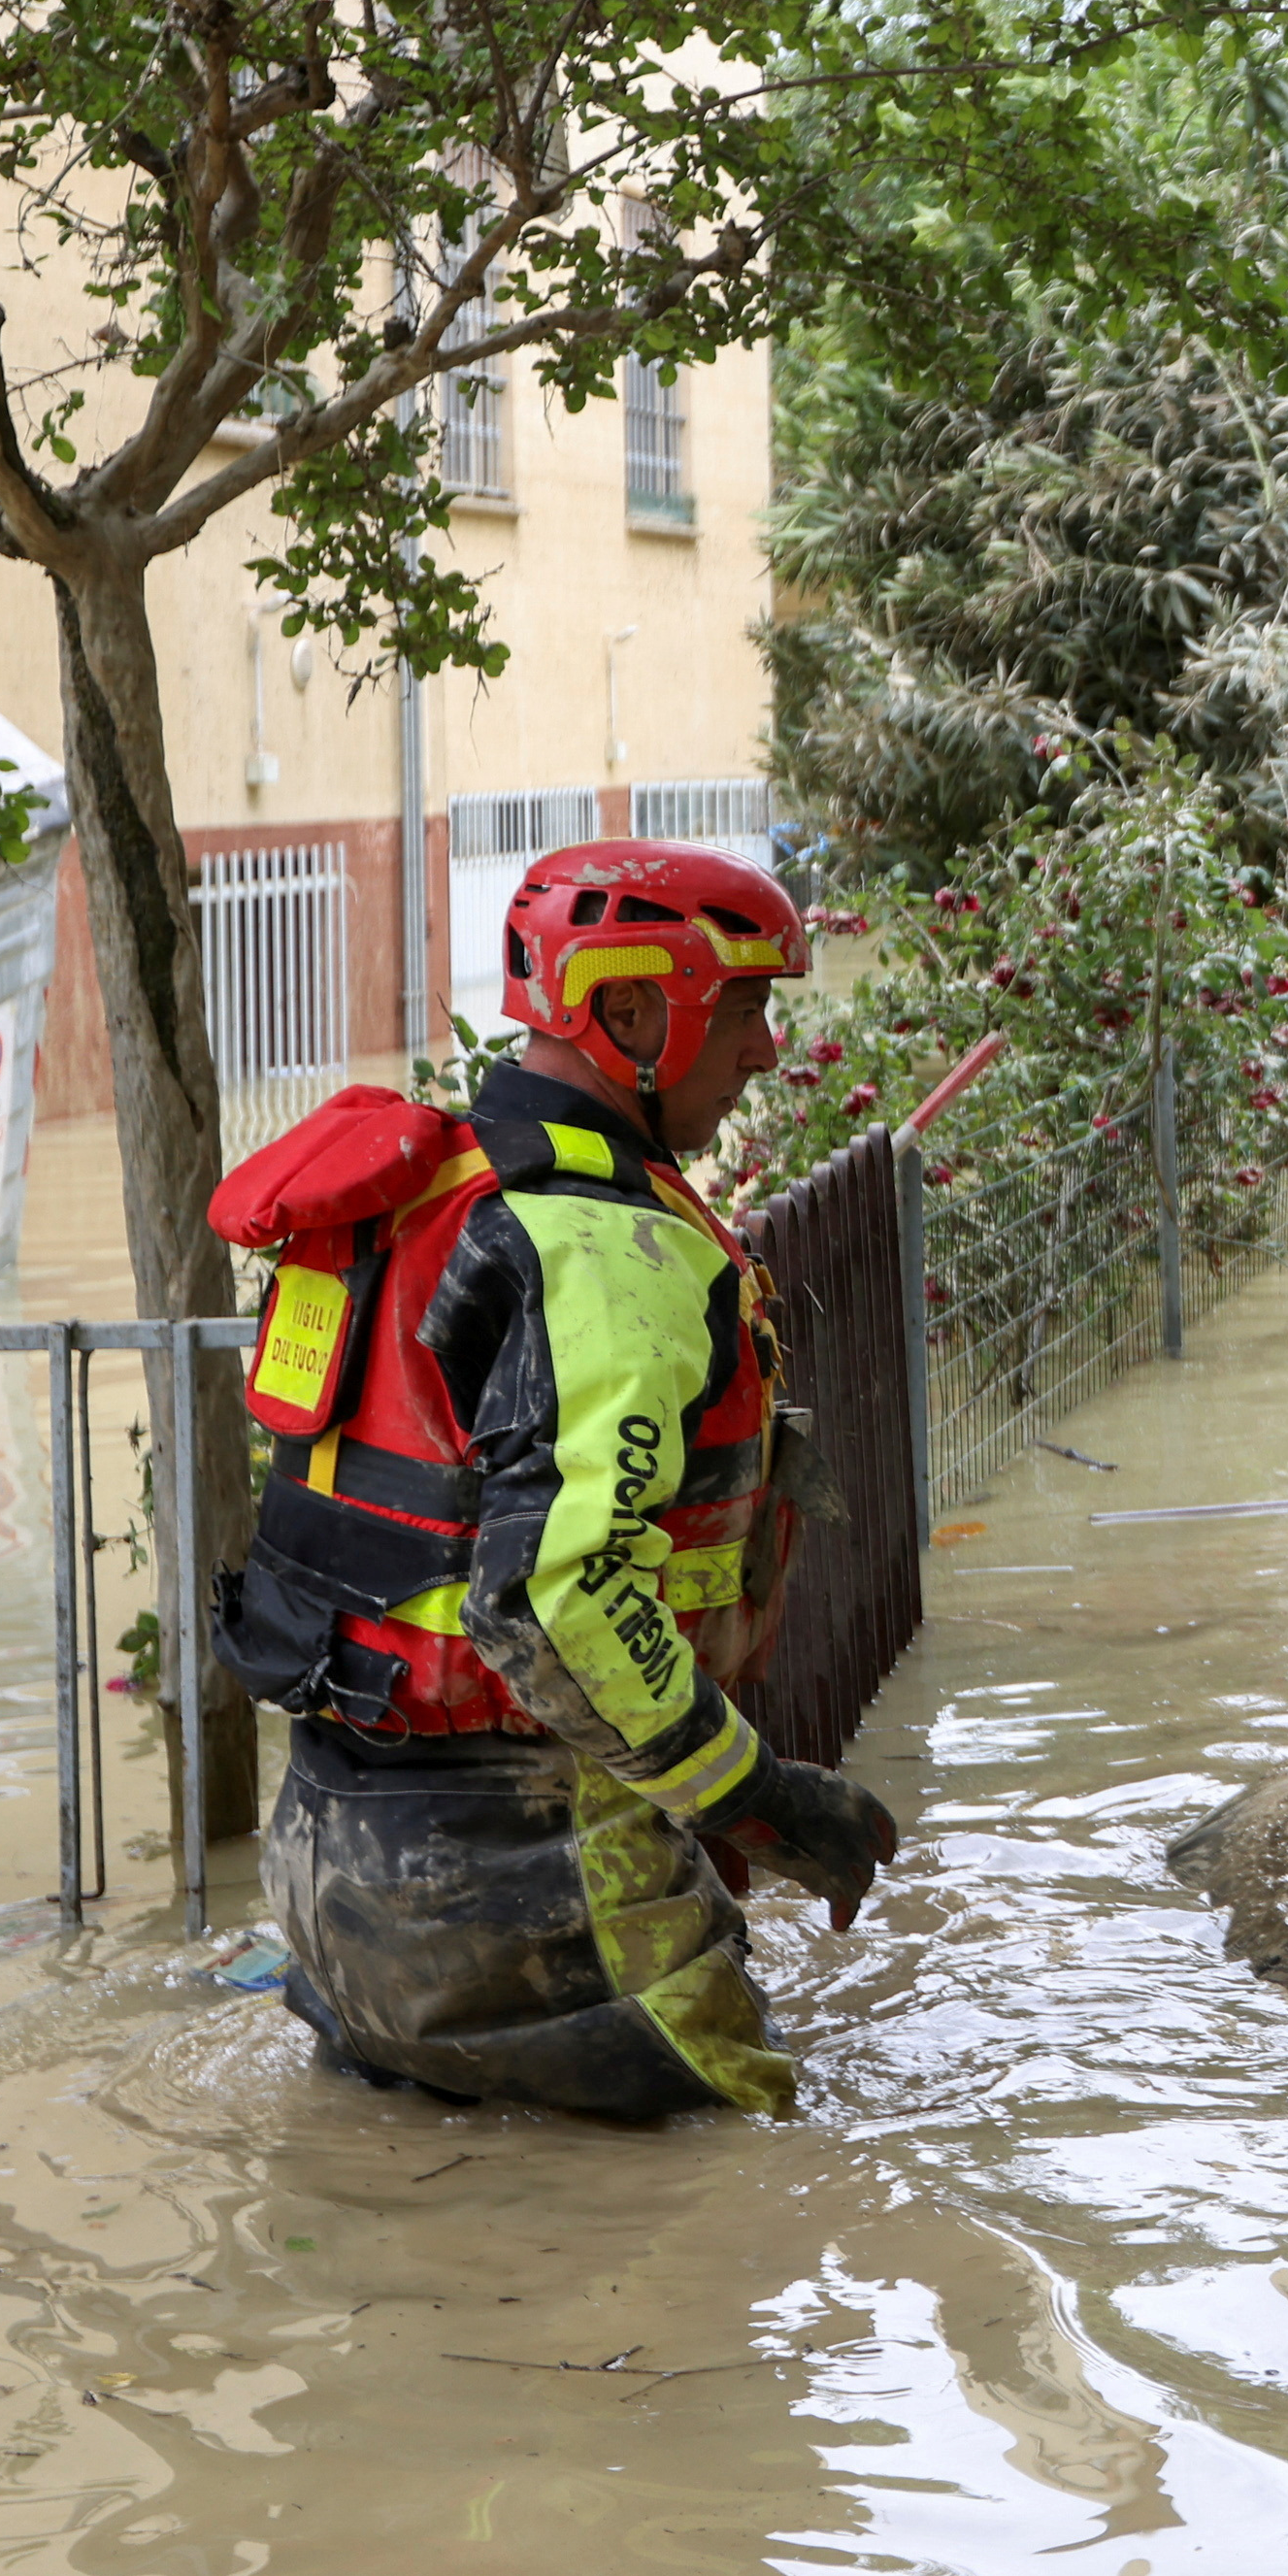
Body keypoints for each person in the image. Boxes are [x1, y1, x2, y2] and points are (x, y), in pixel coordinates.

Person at [209, 840, 905, 2118]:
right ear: (629, 1007)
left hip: (328, 1891)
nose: (764, 1049)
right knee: (765, 2205)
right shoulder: (607, 1244)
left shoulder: (427, 1194)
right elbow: (550, 1599)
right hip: (533, 1894)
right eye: (747, 1005)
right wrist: (765, 1798)